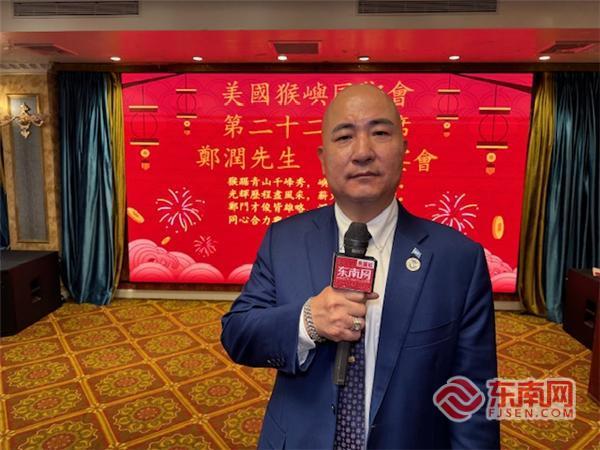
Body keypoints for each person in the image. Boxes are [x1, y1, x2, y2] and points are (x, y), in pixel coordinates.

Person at [221, 84, 500, 449]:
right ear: (323, 158)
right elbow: (238, 334)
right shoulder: (284, 240)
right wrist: (308, 321)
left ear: (404, 149)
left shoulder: (458, 259)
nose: (363, 152)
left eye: (380, 133)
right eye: (345, 137)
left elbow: (473, 394)